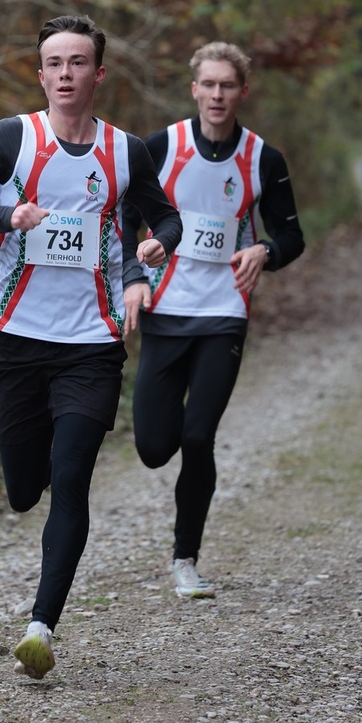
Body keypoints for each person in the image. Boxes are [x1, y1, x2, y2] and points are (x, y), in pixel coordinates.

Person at [0, 14, 182, 678]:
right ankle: (35, 469)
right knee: (23, 490)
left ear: (99, 73)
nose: (66, 74)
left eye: (77, 62)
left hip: (91, 344)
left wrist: (157, 246)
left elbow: (166, 217)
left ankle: (40, 627)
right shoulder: (13, 137)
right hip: (18, 340)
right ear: (40, 75)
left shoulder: (126, 151)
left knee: (71, 477)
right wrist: (6, 215)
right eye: (54, 63)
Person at [122, 42, 304, 599]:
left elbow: (292, 236)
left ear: (242, 91)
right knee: (154, 447)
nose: (218, 94)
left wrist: (265, 251)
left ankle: (186, 559)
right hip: (166, 310)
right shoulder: (162, 147)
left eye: (228, 85)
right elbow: (124, 218)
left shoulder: (263, 158)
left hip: (224, 313)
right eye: (209, 84)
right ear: (194, 89)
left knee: (198, 437)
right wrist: (134, 274)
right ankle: (176, 435)